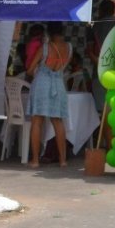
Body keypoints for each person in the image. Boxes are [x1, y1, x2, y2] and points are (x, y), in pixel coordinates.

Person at [27, 22, 71, 168]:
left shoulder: (45, 47)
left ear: (49, 33)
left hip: (42, 83)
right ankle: (63, 160)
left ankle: (35, 160)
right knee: (58, 122)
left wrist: (33, 73)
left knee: (37, 122)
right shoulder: (69, 48)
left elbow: (30, 69)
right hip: (58, 84)